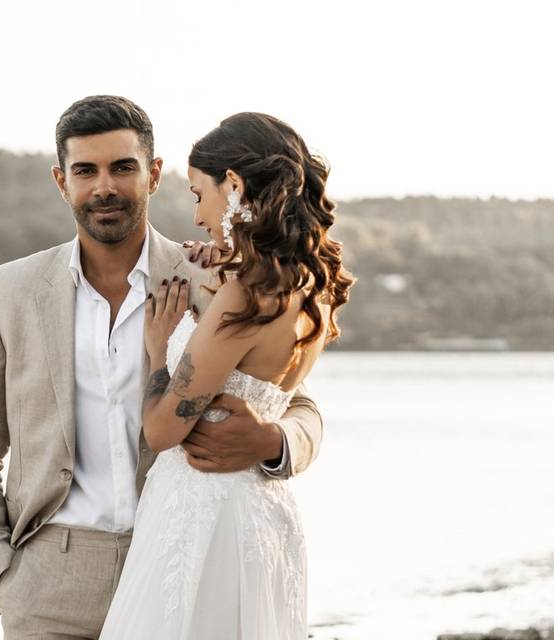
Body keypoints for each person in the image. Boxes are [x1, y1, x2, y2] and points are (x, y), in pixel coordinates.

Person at [0, 95, 327, 640]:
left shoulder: (211, 277)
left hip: (184, 567)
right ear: (62, 181)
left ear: (152, 174)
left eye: (122, 168)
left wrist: (274, 444)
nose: (105, 187)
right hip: (49, 583)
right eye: (86, 171)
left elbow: (300, 402)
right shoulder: (9, 290)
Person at [99, 112, 355, 639]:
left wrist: (156, 350)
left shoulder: (247, 295)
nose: (196, 216)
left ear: (233, 185)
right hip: (262, 512)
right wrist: (209, 283)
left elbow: (162, 430)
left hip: (200, 517)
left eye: (198, 194)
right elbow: (251, 366)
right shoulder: (314, 289)